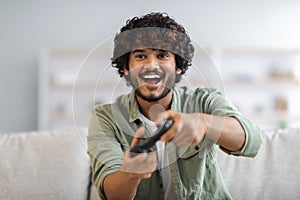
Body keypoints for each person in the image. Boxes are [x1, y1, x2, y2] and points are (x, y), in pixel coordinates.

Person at [88, 12, 262, 200]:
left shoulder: (204, 101)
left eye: (162, 55)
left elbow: (251, 140)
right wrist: (131, 174)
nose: (151, 65)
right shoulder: (105, 117)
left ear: (178, 66)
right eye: (140, 56)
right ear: (126, 68)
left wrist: (203, 123)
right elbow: (113, 195)